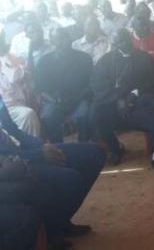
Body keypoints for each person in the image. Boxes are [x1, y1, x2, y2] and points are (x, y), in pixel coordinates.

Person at [0, 98, 105, 249]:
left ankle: (60, 221)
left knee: (94, 154)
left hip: (22, 152)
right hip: (11, 168)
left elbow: (12, 128)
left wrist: (42, 144)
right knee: (70, 179)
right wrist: (39, 154)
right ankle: (50, 232)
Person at [91, 29, 154, 172]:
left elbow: (152, 82)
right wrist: (118, 99)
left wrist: (134, 94)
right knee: (96, 111)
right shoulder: (105, 61)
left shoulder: (144, 57)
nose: (124, 43)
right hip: (113, 105)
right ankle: (115, 149)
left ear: (131, 40)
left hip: (138, 102)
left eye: (126, 40)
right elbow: (98, 87)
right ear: (114, 43)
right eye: (119, 41)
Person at [34, 28, 93, 143]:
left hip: (79, 99)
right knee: (49, 116)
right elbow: (41, 89)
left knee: (84, 114)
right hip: (54, 101)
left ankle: (84, 146)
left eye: (66, 37)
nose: (64, 41)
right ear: (52, 42)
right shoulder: (44, 61)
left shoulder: (84, 58)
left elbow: (91, 83)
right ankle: (59, 148)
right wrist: (54, 100)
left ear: (70, 38)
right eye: (59, 39)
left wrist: (78, 98)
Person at [0, 39, 40, 136]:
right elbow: (15, 76)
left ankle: (34, 148)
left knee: (28, 115)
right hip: (3, 108)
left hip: (15, 106)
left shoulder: (12, 58)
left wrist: (5, 57)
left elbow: (16, 76)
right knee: (27, 115)